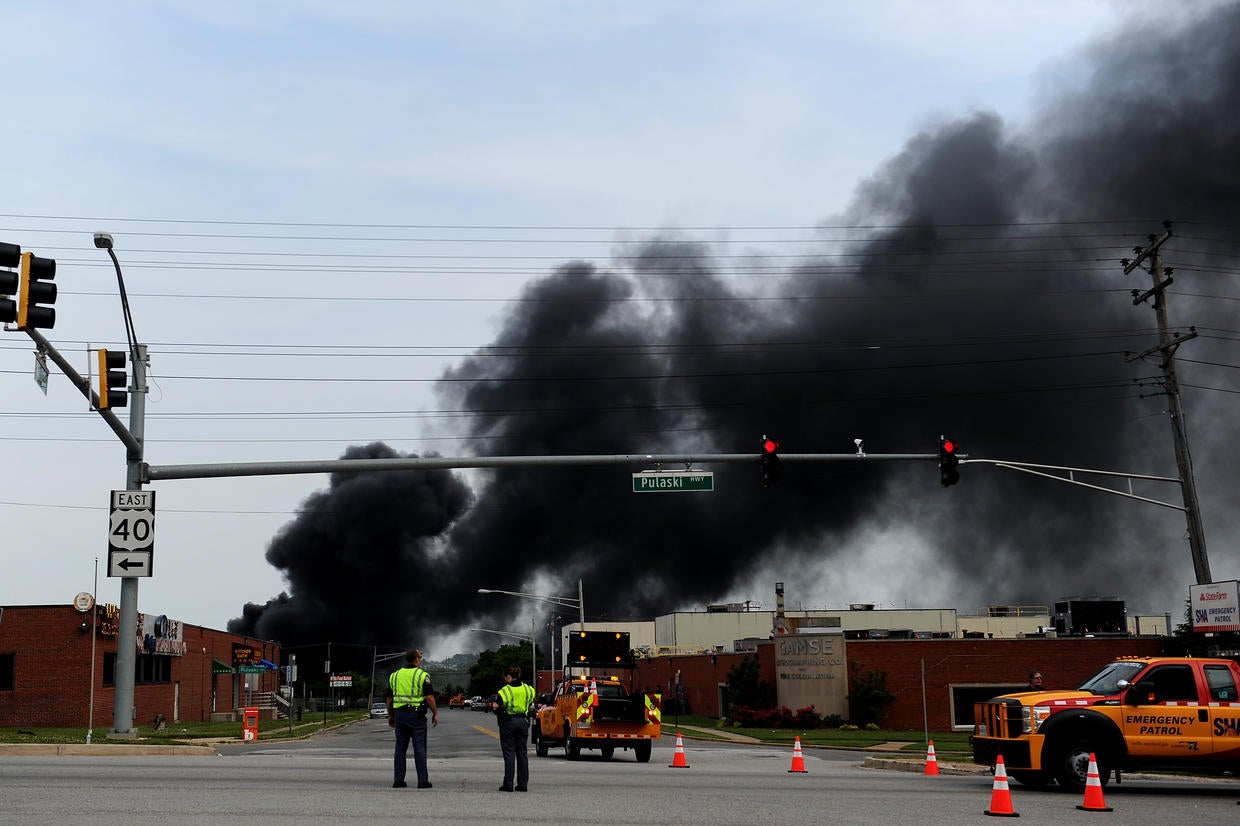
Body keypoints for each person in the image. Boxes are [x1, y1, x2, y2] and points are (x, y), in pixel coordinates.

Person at [386, 648, 439, 789]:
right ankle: (422, 781)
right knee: (419, 748)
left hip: (400, 716)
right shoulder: (422, 675)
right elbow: (429, 697)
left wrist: (391, 715)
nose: (420, 660)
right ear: (416, 659)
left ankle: (398, 780)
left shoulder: (394, 676)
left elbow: (389, 699)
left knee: (400, 749)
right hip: (416, 717)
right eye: (420, 658)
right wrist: (435, 713)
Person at [489, 665, 537, 792]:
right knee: (522, 754)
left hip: (509, 722)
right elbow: (533, 698)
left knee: (509, 753)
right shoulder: (528, 689)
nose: (505, 680)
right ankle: (523, 785)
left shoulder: (506, 690)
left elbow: (495, 705)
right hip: (523, 722)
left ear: (509, 677)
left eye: (506, 678)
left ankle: (508, 784)